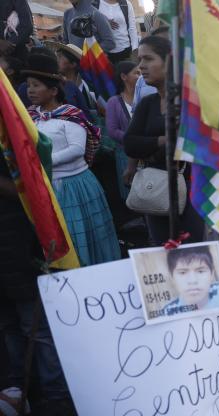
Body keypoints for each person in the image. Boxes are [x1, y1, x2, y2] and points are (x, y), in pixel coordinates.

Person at [23, 52, 119, 266]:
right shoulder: (30, 117)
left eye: (36, 85)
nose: (30, 90)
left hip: (75, 186)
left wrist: (41, 163)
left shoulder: (71, 114)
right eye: (29, 85)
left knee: (83, 234)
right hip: (48, 186)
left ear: (54, 90)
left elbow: (76, 149)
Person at [125, 35, 204, 244]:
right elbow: (130, 144)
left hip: (193, 191)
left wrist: (149, 144)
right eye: (140, 60)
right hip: (155, 192)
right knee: (163, 255)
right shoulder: (147, 104)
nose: (141, 66)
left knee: (195, 257)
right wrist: (162, 140)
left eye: (148, 59)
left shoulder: (192, 101)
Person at [160, 245, 219, 316]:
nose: (193, 281)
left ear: (212, 274)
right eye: (182, 273)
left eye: (200, 271)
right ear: (172, 278)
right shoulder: (166, 313)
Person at [105, 59, 138, 201]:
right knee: (131, 192)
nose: (140, 76)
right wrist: (137, 141)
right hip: (125, 154)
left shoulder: (144, 97)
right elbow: (112, 131)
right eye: (136, 73)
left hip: (145, 154)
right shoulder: (114, 102)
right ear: (124, 77)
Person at [96, 0, 138, 64]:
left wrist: (135, 49)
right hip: (103, 52)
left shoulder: (126, 4)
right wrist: (103, 21)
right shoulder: (95, 3)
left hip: (125, 51)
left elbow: (132, 28)